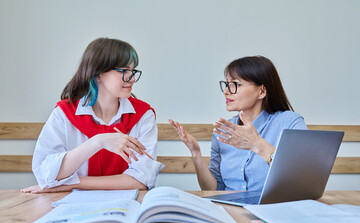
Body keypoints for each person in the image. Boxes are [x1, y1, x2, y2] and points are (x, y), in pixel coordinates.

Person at [21, 37, 163, 193]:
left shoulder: (143, 115)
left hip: (126, 205)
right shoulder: (64, 113)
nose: (132, 78)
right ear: (99, 73)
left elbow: (141, 179)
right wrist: (97, 142)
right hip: (71, 206)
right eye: (124, 71)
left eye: (133, 70)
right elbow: (45, 174)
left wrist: (73, 183)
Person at [169, 56, 307, 191]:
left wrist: (257, 144)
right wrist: (195, 153)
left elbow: (302, 177)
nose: (226, 91)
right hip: (230, 209)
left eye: (235, 84)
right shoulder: (223, 131)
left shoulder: (290, 123)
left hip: (274, 209)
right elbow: (214, 188)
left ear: (262, 91)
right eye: (227, 84)